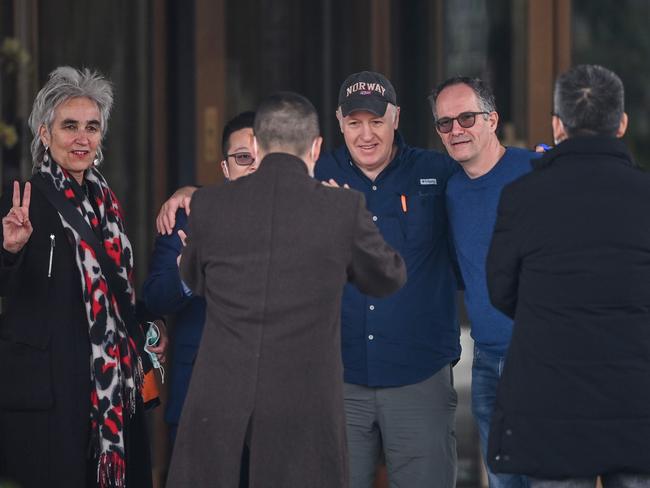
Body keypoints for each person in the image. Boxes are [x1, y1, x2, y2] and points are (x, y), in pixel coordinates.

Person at [166, 92, 406, 488]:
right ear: (316, 147)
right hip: (304, 396)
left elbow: (194, 280)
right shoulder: (340, 209)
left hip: (221, 390)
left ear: (256, 147)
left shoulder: (209, 205)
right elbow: (389, 276)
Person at [486, 64, 650, 487]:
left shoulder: (521, 196)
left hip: (550, 403)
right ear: (622, 124)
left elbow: (501, 290)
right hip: (636, 399)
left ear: (557, 126)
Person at [0, 67, 162, 487]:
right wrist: (10, 251)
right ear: (44, 133)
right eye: (69, 126)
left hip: (111, 395)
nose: (82, 138)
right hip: (53, 398)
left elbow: (117, 294)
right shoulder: (22, 201)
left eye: (92, 127)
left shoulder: (107, 204)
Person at [315, 71, 460, 488]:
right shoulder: (313, 176)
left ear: (395, 118)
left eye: (376, 121)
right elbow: (251, 188)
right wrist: (192, 193)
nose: (366, 134)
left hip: (419, 374)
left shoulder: (438, 173)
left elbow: (491, 175)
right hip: (337, 380)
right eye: (355, 122)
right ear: (340, 121)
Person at [430, 76, 534, 488]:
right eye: (444, 123)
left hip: (542, 359)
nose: (456, 130)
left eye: (466, 117)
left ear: (492, 120)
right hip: (489, 361)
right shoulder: (451, 191)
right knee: (504, 481)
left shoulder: (537, 172)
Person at [143, 111, 258, 444]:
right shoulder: (188, 217)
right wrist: (186, 274)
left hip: (276, 406)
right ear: (225, 167)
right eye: (242, 158)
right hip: (200, 399)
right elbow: (154, 298)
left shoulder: (299, 221)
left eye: (263, 157)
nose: (253, 166)